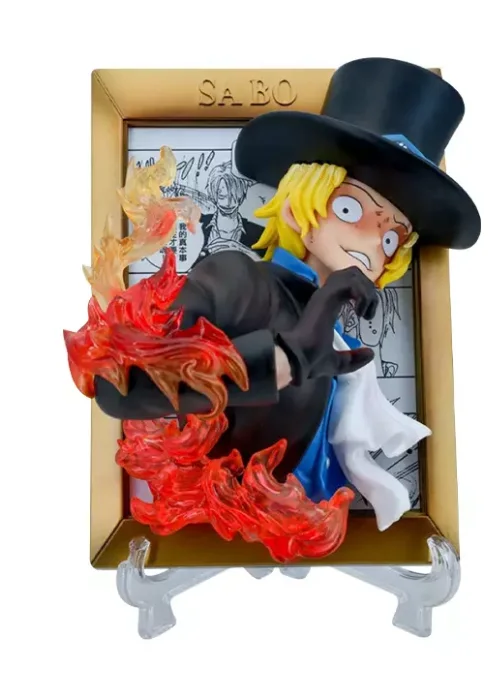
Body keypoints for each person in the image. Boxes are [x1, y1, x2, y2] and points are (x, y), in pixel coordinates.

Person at [94, 57, 481, 530]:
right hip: (221, 523)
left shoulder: (344, 341)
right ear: (298, 208)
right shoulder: (237, 280)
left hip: (321, 529)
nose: (370, 245)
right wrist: (286, 358)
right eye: (349, 209)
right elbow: (123, 388)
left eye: (389, 238)